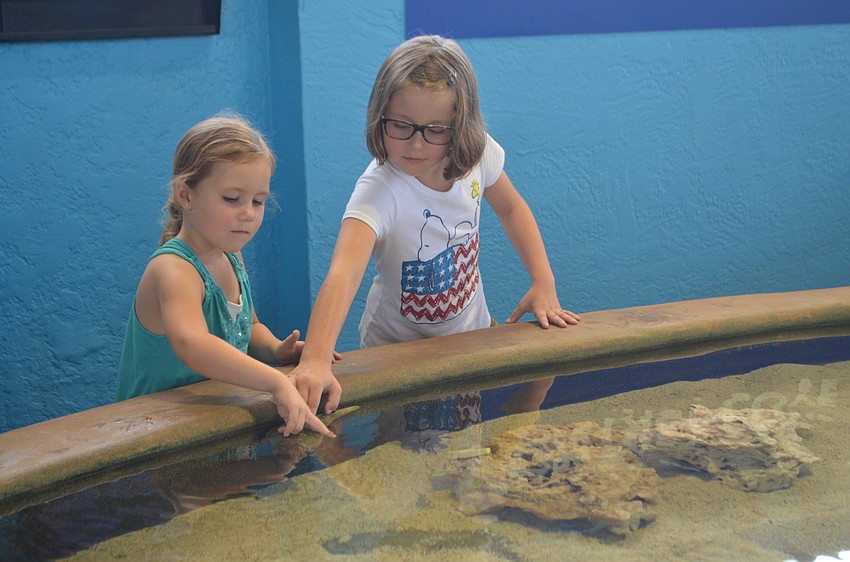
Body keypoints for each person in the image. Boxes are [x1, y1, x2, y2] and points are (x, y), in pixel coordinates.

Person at [290, 35, 580, 415]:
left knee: (472, 433)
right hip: (397, 352)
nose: (416, 145)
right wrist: (315, 359)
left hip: (471, 334)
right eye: (401, 126)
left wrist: (544, 282)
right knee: (403, 441)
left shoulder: (477, 155)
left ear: (461, 126)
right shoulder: (379, 190)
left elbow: (512, 209)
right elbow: (343, 274)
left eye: (436, 130)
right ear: (379, 116)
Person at [116, 113, 334, 438]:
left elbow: (248, 329)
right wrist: (275, 381)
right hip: (153, 433)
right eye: (232, 199)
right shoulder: (174, 269)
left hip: (207, 424)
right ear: (186, 195)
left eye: (258, 202)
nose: (248, 214)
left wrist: (276, 350)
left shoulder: (231, 256)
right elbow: (193, 343)